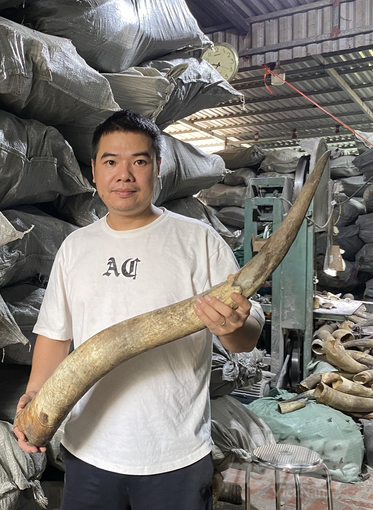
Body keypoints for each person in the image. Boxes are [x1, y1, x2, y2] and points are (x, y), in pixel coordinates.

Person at [13, 110, 264, 510]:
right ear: (94, 171)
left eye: (139, 162)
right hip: (89, 450)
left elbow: (245, 335)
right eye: (111, 161)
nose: (124, 175)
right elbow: (55, 334)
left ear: (158, 169)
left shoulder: (199, 242)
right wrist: (36, 397)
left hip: (175, 456)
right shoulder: (76, 247)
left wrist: (233, 327)